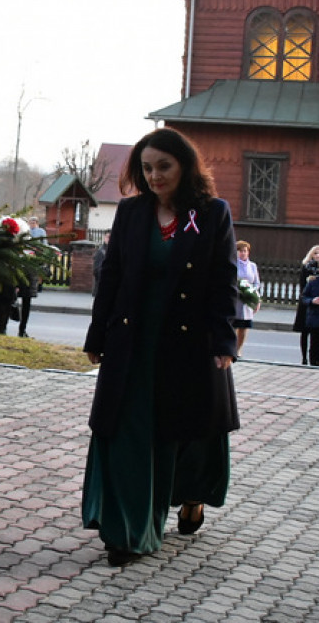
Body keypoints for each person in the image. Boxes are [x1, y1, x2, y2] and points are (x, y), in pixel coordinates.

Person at [82, 127, 239, 567]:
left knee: (186, 431)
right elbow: (110, 276)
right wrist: (97, 336)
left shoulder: (212, 214)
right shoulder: (132, 213)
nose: (154, 176)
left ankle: (193, 495)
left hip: (188, 344)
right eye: (147, 168)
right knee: (128, 434)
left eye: (163, 167)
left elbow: (224, 281)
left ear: (185, 166)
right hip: (131, 342)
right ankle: (129, 534)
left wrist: (225, 340)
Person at [292, 245, 319, 365]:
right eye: (315, 253)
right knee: (304, 330)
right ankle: (304, 357)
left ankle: (314, 357)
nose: (318, 256)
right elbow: (302, 285)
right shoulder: (306, 267)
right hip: (307, 302)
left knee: (316, 333)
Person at [233, 240, 260, 356]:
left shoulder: (252, 266)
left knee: (244, 327)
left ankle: (239, 349)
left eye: (245, 251)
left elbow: (257, 282)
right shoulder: (233, 263)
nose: (243, 253)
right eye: (240, 251)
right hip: (235, 298)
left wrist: (252, 292)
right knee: (233, 325)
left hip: (247, 299)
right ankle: (231, 347)